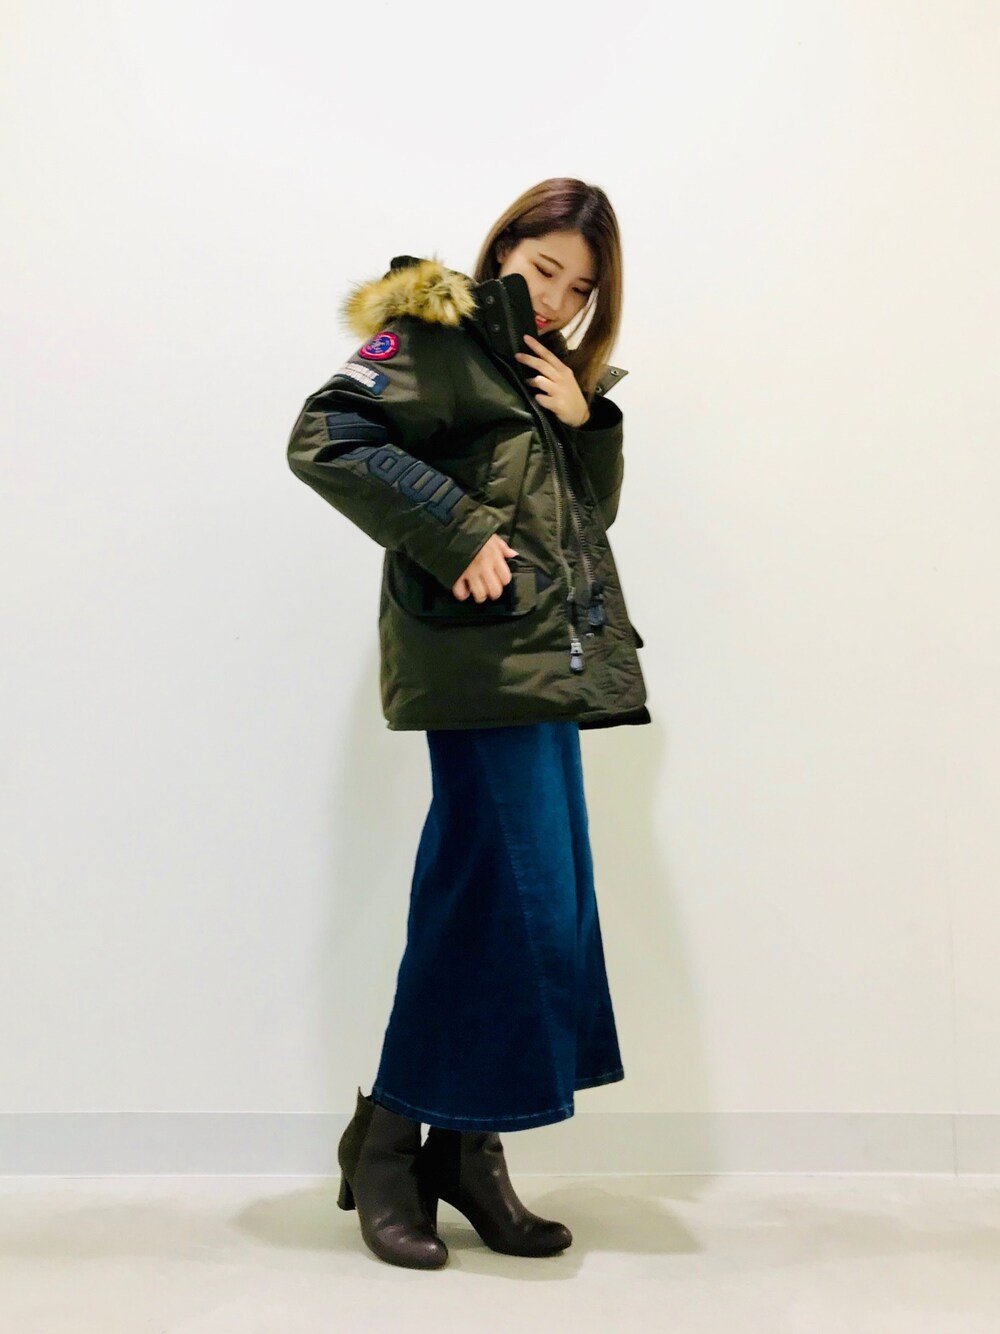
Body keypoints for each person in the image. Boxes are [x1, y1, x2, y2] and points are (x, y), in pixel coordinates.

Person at [286, 177, 650, 1270]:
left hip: (542, 668)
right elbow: (325, 435)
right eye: (543, 271)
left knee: (527, 908)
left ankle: (464, 1147)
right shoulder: (433, 337)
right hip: (479, 662)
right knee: (497, 899)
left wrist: (586, 423)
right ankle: (390, 1141)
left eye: (580, 290)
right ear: (500, 253)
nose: (558, 301)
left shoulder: (542, 371)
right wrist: (454, 527)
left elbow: (580, 523)